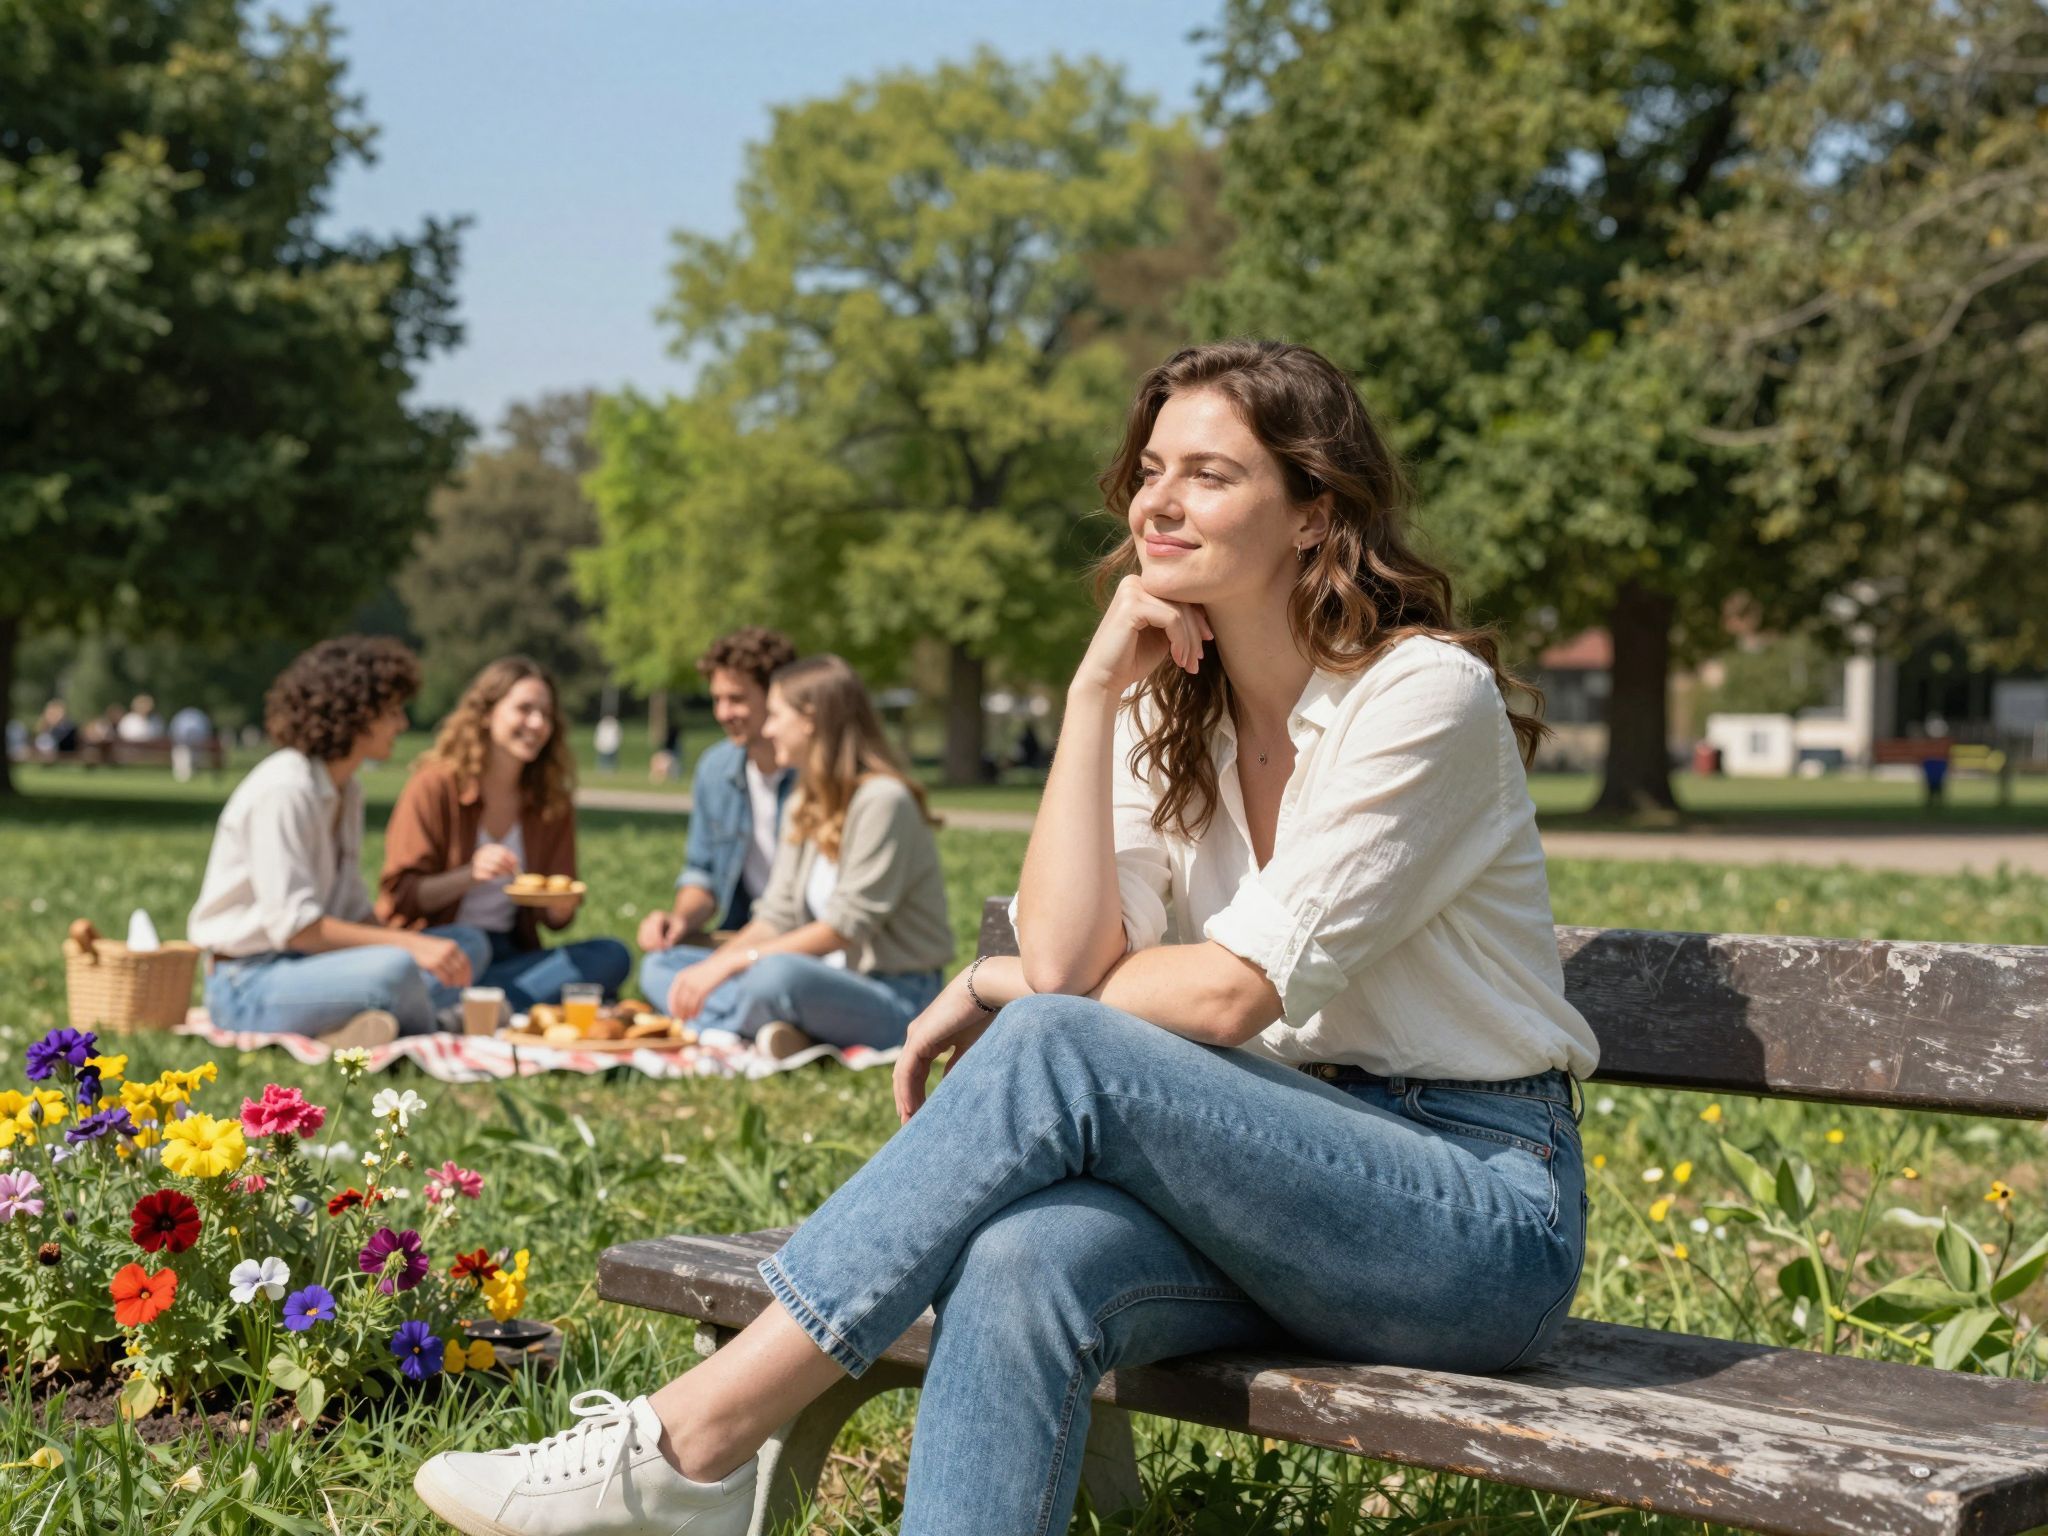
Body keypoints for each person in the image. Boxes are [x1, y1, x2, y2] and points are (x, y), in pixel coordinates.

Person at [413, 340, 1599, 1536]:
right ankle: (705, 1461)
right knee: (1025, 1258)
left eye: (1208, 474)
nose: (1158, 502)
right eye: (1148, 470)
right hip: (1260, 1185)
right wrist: (1093, 692)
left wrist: (997, 984)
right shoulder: (1158, 705)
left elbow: (1225, 996)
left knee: (1050, 1041)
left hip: (1472, 1217)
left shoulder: (1419, 694)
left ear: (1312, 512)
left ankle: (695, 1443)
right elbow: (1074, 961)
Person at [640, 654, 950, 1058]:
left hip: (893, 994)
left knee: (772, 976)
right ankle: (781, 1029)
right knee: (664, 967)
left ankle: (735, 1025)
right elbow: (777, 913)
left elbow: (845, 928)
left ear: (810, 719)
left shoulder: (883, 801)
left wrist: (730, 964)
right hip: (819, 979)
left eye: (774, 715)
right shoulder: (806, 799)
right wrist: (710, 967)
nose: (767, 729)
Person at [189, 637, 489, 1046]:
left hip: (313, 966)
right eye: (393, 711)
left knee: (467, 944)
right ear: (356, 713)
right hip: (248, 983)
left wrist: (425, 947)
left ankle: (355, 1027)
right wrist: (407, 948)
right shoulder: (286, 789)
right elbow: (298, 929)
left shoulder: (347, 791)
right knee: (395, 969)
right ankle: (436, 1025)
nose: (401, 725)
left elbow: (351, 912)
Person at [377, 657, 631, 1014]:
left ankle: (468, 1008)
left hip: (512, 953)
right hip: (441, 946)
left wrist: (560, 907)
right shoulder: (435, 785)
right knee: (474, 944)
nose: (538, 723)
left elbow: (556, 919)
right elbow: (401, 896)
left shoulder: (550, 801)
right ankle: (499, 1003)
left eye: (546, 714)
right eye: (524, 709)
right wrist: (469, 875)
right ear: (486, 713)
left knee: (611, 955)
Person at [635, 627, 798, 1007]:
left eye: (737, 699)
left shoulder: (817, 775)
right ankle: (760, 1015)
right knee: (658, 965)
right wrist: (681, 920)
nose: (723, 713)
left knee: (774, 977)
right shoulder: (715, 768)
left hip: (804, 942)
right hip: (744, 937)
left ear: (777, 697)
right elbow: (702, 872)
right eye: (717, 699)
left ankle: (741, 1009)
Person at [168, 704, 214, 782]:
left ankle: (190, 773)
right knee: (182, 752)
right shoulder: (185, 717)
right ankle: (183, 774)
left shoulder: (197, 717)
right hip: (183, 744)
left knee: (191, 754)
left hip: (197, 745)